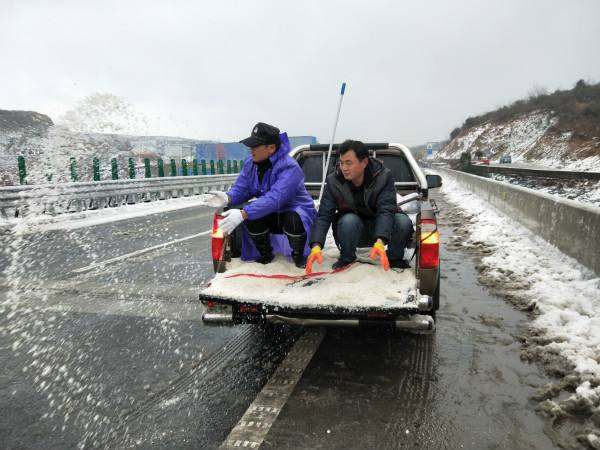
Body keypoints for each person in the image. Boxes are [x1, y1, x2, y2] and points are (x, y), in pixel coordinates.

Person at [203, 122, 316, 268]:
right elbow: (243, 188)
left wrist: (244, 213)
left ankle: (299, 256)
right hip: (272, 213)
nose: (251, 150)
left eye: (255, 146)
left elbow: (276, 198)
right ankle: (265, 255)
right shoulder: (251, 163)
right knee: (253, 212)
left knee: (289, 217)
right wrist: (228, 197)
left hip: (296, 214)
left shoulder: (290, 167)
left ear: (271, 148)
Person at [306, 139, 413, 273]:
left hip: (381, 228)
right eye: (341, 163)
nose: (344, 168)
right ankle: (347, 258)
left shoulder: (384, 176)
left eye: (349, 163)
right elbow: (324, 215)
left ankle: (394, 259)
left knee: (402, 221)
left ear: (364, 162)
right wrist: (316, 245)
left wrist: (380, 241)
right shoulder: (334, 181)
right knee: (348, 220)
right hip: (352, 231)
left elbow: (386, 210)